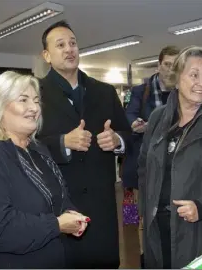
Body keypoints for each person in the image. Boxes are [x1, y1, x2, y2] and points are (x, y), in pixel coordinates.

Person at [37, 20, 131, 268]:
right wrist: (62, 143)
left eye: (73, 43)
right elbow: (23, 146)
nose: (69, 49)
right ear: (46, 55)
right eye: (60, 45)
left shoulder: (105, 92)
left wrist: (117, 140)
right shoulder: (34, 94)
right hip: (58, 206)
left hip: (101, 207)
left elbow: (129, 136)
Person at [138, 45, 202, 269]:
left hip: (200, 230)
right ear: (177, 79)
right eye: (194, 75)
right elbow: (144, 168)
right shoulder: (158, 118)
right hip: (157, 229)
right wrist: (144, 210)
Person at [0, 71, 90, 269]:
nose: (34, 108)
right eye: (23, 100)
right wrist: (57, 225)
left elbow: (59, 197)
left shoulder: (38, 149)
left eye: (36, 101)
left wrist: (72, 215)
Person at [122, 45, 180, 266]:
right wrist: (136, 125)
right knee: (133, 220)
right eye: (167, 64)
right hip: (136, 172)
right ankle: (136, 258)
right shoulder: (141, 91)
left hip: (168, 170)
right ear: (158, 65)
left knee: (159, 218)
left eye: (175, 65)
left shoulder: (181, 93)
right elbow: (128, 118)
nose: (170, 70)